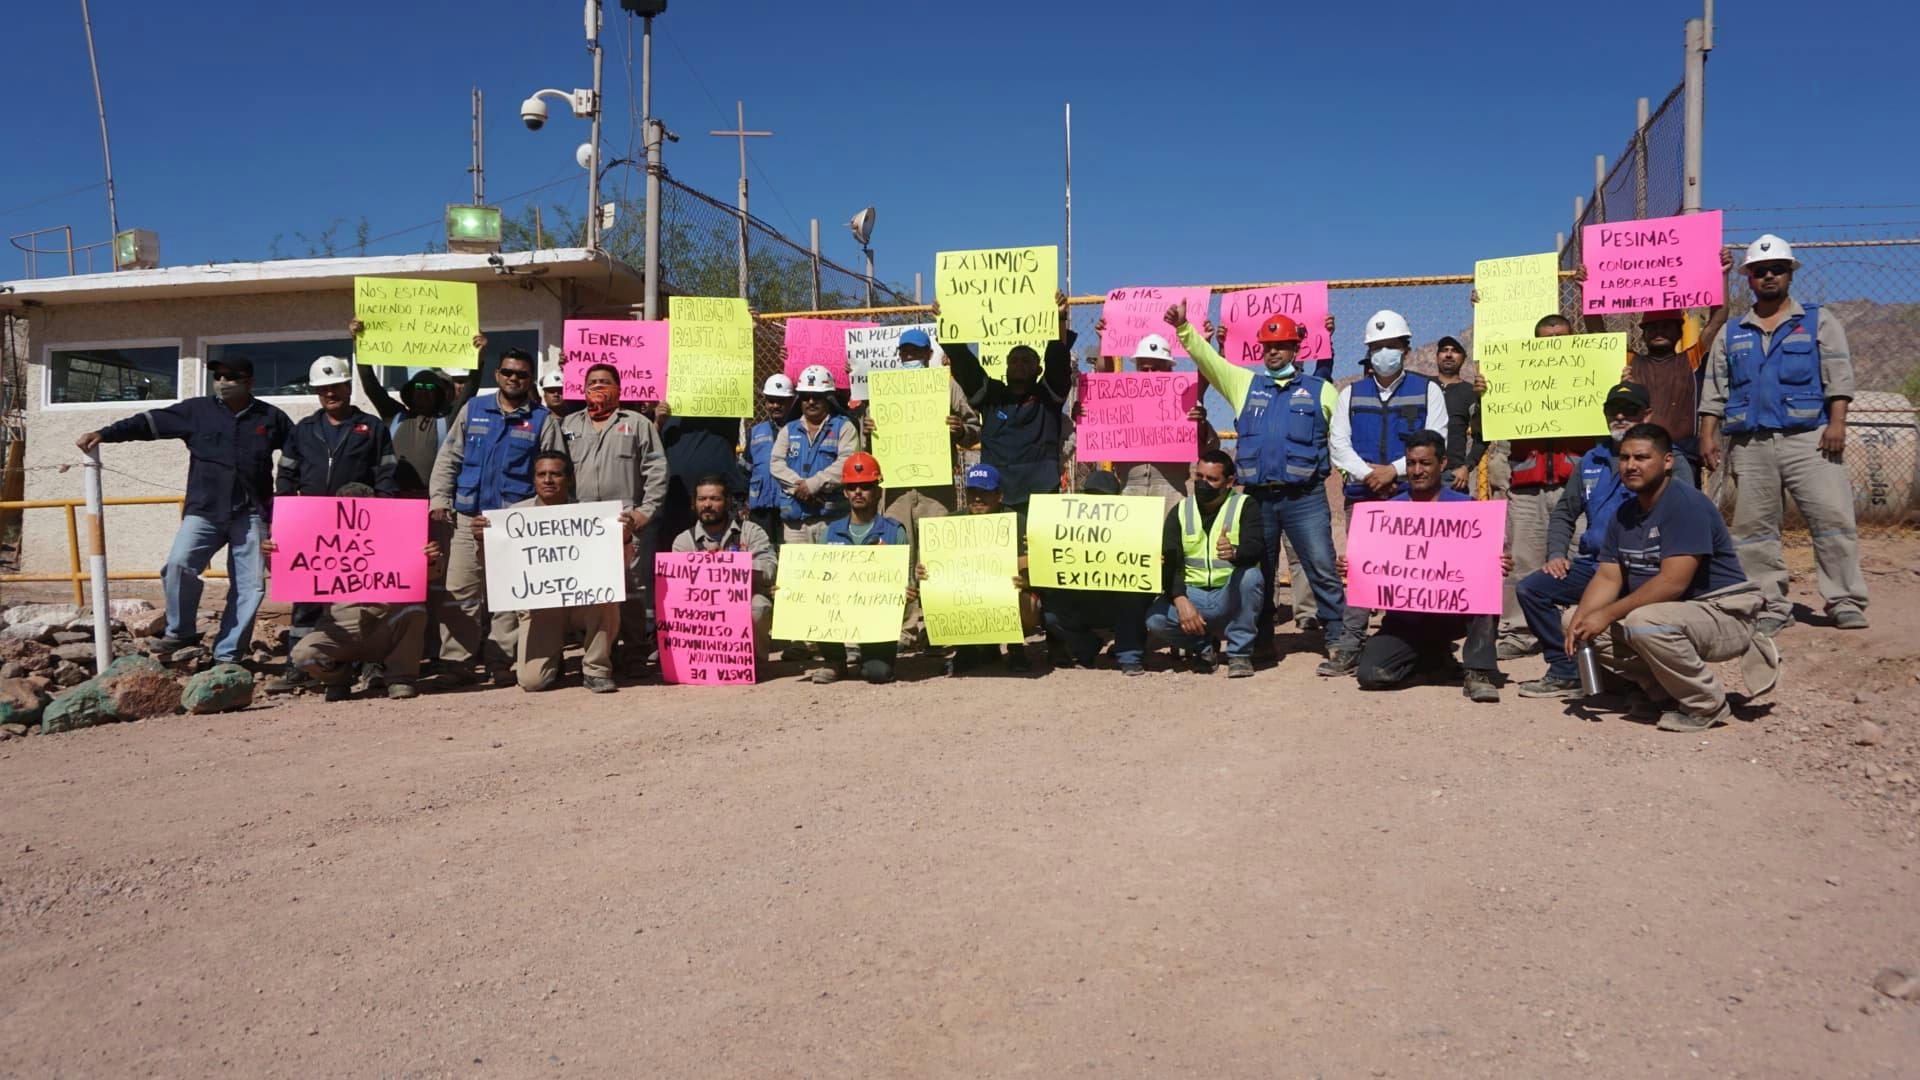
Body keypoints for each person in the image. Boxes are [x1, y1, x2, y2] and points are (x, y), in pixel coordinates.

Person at [1167, 301, 1353, 672]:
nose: (1273, 352)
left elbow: (1341, 443)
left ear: (1295, 349)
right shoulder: (1245, 384)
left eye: (1281, 345)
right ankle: (1262, 640)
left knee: (1321, 568)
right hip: (1256, 501)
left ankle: (1339, 639)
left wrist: (1354, 482)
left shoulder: (1321, 391)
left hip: (1306, 498)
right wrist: (1185, 329)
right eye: (1268, 347)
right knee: (1258, 571)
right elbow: (1209, 361)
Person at [1699, 234, 1869, 634]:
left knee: (1831, 520)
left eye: (1777, 269)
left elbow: (1838, 376)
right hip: (1750, 444)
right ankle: (1769, 603)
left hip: (1810, 439)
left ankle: (1844, 599)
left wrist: (1837, 423)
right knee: (1754, 530)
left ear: (1790, 273)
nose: (1769, 276)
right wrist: (1708, 434)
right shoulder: (1734, 332)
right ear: (1749, 280)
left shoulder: (1817, 320)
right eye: (1759, 271)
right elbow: (1716, 388)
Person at [75, 355, 293, 663]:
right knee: (178, 565)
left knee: (250, 587)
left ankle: (228, 656)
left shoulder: (271, 417)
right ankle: (180, 632)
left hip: (252, 514)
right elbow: (148, 423)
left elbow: (300, 455)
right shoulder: (196, 411)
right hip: (204, 511)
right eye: (218, 376)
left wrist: (292, 510)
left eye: (231, 377)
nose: (223, 382)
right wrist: (106, 433)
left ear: (249, 382)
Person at [1564, 423, 1780, 732]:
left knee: (1643, 621)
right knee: (1575, 619)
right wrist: (1583, 619)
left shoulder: (1684, 504)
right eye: (1624, 458)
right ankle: (1662, 694)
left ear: (1667, 462)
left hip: (1723, 614)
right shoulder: (1624, 514)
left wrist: (1606, 615)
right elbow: (1608, 579)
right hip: (1671, 615)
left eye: (1641, 457)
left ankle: (1707, 705)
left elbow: (1672, 583)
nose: (1630, 466)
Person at [1513, 382, 1697, 697]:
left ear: (1648, 415)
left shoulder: (1671, 462)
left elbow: (1684, 519)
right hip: (1594, 566)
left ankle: (1651, 679)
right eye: (1614, 411)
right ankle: (1565, 670)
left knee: (1633, 616)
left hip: (1643, 568)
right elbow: (1563, 513)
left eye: (1631, 411)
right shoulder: (1590, 460)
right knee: (1531, 589)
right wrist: (1556, 553)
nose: (1621, 417)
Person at [428, 347, 564, 685]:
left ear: (530, 379)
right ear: (497, 375)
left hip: (514, 524)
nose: (513, 378)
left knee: (508, 595)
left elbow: (554, 471)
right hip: (467, 517)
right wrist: (439, 498)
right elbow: (450, 458)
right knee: (460, 593)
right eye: (507, 372)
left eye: (520, 374)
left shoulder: (542, 420)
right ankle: (456, 663)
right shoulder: (473, 410)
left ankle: (500, 662)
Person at [265, 355, 401, 692]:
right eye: (323, 389)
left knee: (364, 597)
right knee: (308, 596)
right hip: (312, 526)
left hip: (360, 526)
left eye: (336, 386)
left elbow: (387, 473)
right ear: (316, 392)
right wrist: (284, 519)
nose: (330, 393)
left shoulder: (372, 427)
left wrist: (380, 514)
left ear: (347, 386)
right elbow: (286, 475)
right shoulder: (304, 430)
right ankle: (300, 669)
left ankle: (371, 666)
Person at [1337, 431, 1505, 702]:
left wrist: (1496, 563)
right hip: (1406, 620)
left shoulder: (1468, 508)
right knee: (1371, 675)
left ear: (1443, 463)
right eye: (1411, 463)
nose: (1417, 470)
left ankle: (1478, 671)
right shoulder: (1388, 513)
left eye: (1425, 463)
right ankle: (1433, 663)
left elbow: (1482, 560)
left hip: (1454, 615)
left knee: (1485, 583)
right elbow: (1375, 565)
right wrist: (1354, 567)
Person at [1326, 309, 1447, 672]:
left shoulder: (1428, 390)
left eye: (1390, 345)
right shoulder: (1351, 394)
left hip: (1413, 496)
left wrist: (1392, 470)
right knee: (1363, 572)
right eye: (1376, 347)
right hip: (1364, 497)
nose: (1383, 353)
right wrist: (1369, 476)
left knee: (1417, 571)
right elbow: (1339, 445)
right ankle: (1350, 644)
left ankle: (1425, 644)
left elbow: (1438, 437)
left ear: (1406, 349)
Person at [856, 327, 981, 651]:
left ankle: (936, 627)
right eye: (905, 351)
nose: (910, 356)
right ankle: (906, 629)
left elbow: (973, 427)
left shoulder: (946, 385)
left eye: (916, 351)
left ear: (928, 354)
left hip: (935, 487)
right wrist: (867, 429)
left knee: (936, 557)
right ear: (900, 354)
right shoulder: (885, 390)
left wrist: (960, 429)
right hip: (895, 488)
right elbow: (867, 442)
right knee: (899, 556)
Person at [1487, 314, 1600, 660]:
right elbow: (1496, 433)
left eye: (1561, 338)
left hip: (1575, 486)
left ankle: (1579, 628)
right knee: (1523, 559)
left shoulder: (1591, 375)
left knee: (1579, 558)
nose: (1553, 344)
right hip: (1526, 487)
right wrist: (1487, 392)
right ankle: (1520, 631)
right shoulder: (1515, 379)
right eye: (1545, 339)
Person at [472, 450, 624, 694]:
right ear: (533, 479)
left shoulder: (591, 516)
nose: (548, 480)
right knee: (533, 682)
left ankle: (596, 670)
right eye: (541, 474)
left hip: (582, 603)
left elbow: (618, 567)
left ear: (570, 479)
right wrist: (482, 541)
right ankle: (553, 660)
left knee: (607, 598)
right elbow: (495, 568)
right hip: (540, 606)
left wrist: (623, 538)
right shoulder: (512, 517)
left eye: (555, 474)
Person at [274, 483, 441, 701]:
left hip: (386, 626)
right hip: (340, 632)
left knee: (415, 611)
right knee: (303, 657)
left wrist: (430, 559)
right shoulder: (318, 538)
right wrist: (274, 554)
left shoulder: (398, 535)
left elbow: (430, 576)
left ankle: (400, 678)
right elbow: (293, 573)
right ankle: (339, 680)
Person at [558, 362, 670, 674]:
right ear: (582, 389)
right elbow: (554, 470)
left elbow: (657, 471)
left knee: (631, 589)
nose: (598, 387)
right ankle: (594, 651)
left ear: (619, 389)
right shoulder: (567, 426)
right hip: (579, 526)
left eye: (605, 382)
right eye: (592, 382)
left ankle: (634, 653)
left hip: (625, 525)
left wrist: (643, 512)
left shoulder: (637, 423)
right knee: (588, 589)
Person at [940, 290, 1075, 527]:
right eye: (1014, 360)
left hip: (1041, 492)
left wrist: (1059, 319)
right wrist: (946, 320)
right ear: (1005, 367)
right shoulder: (990, 395)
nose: (1019, 365)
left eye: (1026, 361)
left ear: (1038, 369)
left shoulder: (1048, 396)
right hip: (997, 492)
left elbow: (1057, 359)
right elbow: (965, 364)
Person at [1144, 450, 1267, 678]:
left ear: (1229, 482)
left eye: (1211, 479)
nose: (1203, 484)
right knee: (1155, 619)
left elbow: (1257, 548)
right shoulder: (1180, 511)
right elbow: (1171, 562)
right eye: (1199, 477)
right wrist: (1180, 598)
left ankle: (1239, 653)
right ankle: (1203, 647)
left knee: (1251, 576)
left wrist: (1235, 553)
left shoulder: (1244, 505)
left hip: (1228, 595)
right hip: (1194, 595)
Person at [1076, 326, 1221, 511]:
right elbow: (1104, 383)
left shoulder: (1184, 402)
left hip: (1172, 491)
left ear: (1170, 370)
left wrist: (1200, 423)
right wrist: (1105, 343)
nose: (1151, 374)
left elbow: (1209, 447)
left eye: (1158, 368)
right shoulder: (1123, 400)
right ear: (1137, 369)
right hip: (1130, 489)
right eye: (1145, 369)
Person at [807, 452, 914, 685]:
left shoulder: (895, 532)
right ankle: (835, 661)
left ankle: (871, 658)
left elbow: (907, 579)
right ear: (845, 492)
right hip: (837, 617)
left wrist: (908, 591)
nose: (858, 492)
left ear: (877, 491)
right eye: (852, 486)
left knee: (877, 674)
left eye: (865, 486)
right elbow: (815, 582)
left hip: (877, 620)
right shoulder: (830, 533)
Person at [1038, 469, 1149, 674]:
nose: (1097, 502)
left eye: (1104, 498)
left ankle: (1129, 655)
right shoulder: (1066, 530)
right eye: (1091, 496)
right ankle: (1086, 647)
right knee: (1050, 614)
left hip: (1118, 604)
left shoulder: (1133, 530)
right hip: (1081, 603)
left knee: (1137, 597)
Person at [937, 463, 1033, 676]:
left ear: (999, 495)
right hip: (968, 592)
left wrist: (1024, 579)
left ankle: (1016, 648)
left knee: (1026, 598)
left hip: (1008, 594)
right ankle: (968, 650)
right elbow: (939, 565)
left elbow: (1032, 562)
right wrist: (926, 572)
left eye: (985, 492)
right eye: (973, 492)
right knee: (936, 588)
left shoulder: (1017, 521)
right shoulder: (951, 522)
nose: (978, 499)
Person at [670, 473, 778, 659]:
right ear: (694, 503)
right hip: (702, 608)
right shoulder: (683, 541)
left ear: (728, 502)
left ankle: (754, 662)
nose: (707, 504)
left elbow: (770, 570)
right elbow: (676, 588)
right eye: (702, 499)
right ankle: (699, 660)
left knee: (759, 607)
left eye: (715, 499)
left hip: (743, 600)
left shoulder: (751, 531)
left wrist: (731, 565)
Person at [771, 364, 859, 544]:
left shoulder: (844, 427)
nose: (811, 402)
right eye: (805, 397)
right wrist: (799, 488)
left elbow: (847, 463)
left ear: (828, 398)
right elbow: (776, 463)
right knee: (797, 572)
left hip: (832, 520)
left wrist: (814, 484)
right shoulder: (788, 429)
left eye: (817, 397)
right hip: (795, 523)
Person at [741, 373, 795, 551]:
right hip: (761, 508)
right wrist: (742, 502)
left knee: (787, 551)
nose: (775, 406)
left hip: (790, 504)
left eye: (781, 401)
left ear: (791, 401)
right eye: (771, 401)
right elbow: (745, 469)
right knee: (762, 550)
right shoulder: (755, 432)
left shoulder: (799, 429)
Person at [1432, 336, 1486, 493]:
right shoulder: (1422, 387)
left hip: (1452, 477)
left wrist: (1466, 467)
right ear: (1437, 357)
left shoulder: (1471, 393)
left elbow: (1482, 437)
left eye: (1455, 351)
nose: (1449, 355)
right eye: (1444, 350)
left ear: (1464, 359)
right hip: (1418, 474)